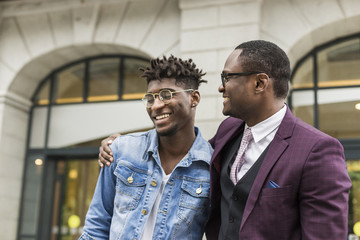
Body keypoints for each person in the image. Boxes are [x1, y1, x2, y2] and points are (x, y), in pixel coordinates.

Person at [99, 40, 351, 240]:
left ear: (259, 83)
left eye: (227, 78)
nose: (221, 87)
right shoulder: (229, 130)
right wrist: (121, 144)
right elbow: (184, 149)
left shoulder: (317, 149)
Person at [80, 55, 213, 240]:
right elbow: (96, 227)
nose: (156, 105)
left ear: (194, 98)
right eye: (150, 98)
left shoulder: (211, 166)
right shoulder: (121, 151)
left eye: (166, 95)